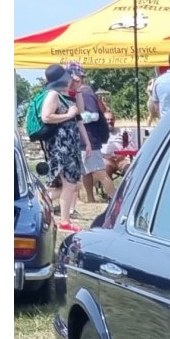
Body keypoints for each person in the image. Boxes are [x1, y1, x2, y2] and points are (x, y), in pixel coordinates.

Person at [39, 64, 88, 231]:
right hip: (60, 145)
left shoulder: (63, 95)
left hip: (68, 144)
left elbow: (80, 110)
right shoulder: (53, 95)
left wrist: (78, 89)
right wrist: (68, 115)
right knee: (69, 183)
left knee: (72, 184)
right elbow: (46, 117)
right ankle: (63, 219)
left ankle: (51, 206)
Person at [72, 70, 115, 203]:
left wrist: (72, 116)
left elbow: (94, 115)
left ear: (79, 78)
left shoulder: (85, 92)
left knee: (99, 172)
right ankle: (90, 199)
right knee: (86, 171)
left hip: (90, 138)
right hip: (84, 139)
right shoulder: (80, 93)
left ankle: (116, 200)